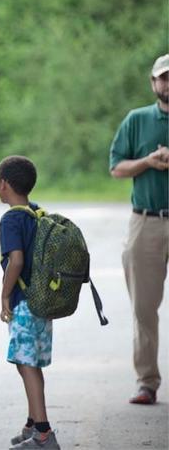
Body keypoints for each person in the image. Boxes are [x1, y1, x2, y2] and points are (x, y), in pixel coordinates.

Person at [109, 53, 169, 406]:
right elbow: (116, 167)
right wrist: (148, 161)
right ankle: (147, 381)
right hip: (145, 222)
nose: (167, 84)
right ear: (153, 83)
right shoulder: (137, 120)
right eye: (163, 78)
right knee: (144, 308)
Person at [0, 156, 60, 450]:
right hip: (42, 302)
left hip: (24, 304)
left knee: (26, 364)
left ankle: (44, 435)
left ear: (4, 184)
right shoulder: (37, 212)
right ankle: (33, 424)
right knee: (30, 365)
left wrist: (5, 294)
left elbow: (16, 260)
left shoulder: (11, 219)